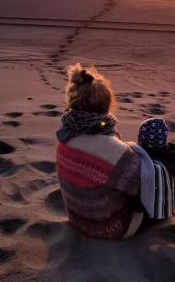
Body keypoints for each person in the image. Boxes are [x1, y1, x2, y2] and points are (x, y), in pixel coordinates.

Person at [55, 64, 143, 239]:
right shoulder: (117, 152)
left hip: (76, 219)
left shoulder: (64, 140)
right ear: (106, 106)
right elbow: (142, 188)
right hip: (110, 228)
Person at [135, 118, 175, 220]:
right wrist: (170, 148)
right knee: (170, 178)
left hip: (145, 211)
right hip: (166, 208)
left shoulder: (138, 158)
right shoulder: (171, 161)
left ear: (140, 138)